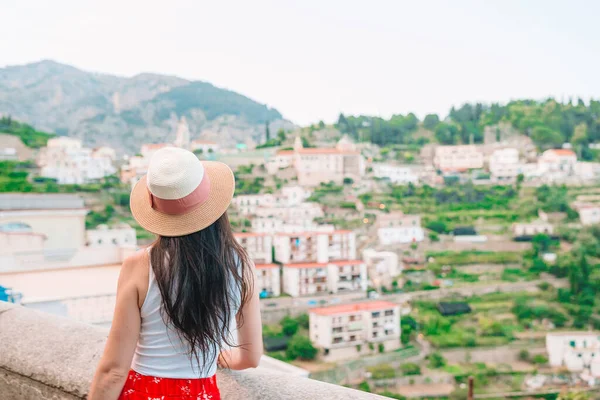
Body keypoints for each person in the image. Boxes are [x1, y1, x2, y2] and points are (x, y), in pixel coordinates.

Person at [89, 147, 262, 400]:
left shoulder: (139, 265)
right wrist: (214, 355)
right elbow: (251, 357)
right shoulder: (241, 266)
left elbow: (114, 370)